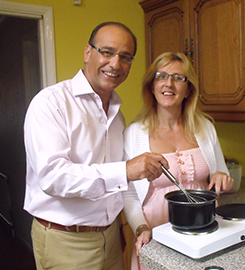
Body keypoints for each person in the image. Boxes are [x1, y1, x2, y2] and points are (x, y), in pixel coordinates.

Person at [23, 21, 168, 270]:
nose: (115, 64)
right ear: (88, 52)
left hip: (111, 237)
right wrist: (126, 170)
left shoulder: (117, 115)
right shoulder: (51, 102)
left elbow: (118, 187)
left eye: (125, 57)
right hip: (65, 241)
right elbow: (52, 177)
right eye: (107, 52)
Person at [122, 52, 234, 270]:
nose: (169, 84)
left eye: (178, 78)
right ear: (152, 85)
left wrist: (223, 178)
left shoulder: (205, 128)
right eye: (161, 76)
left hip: (203, 230)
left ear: (188, 89)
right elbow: (128, 193)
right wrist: (141, 227)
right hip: (154, 232)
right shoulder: (134, 133)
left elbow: (221, 176)